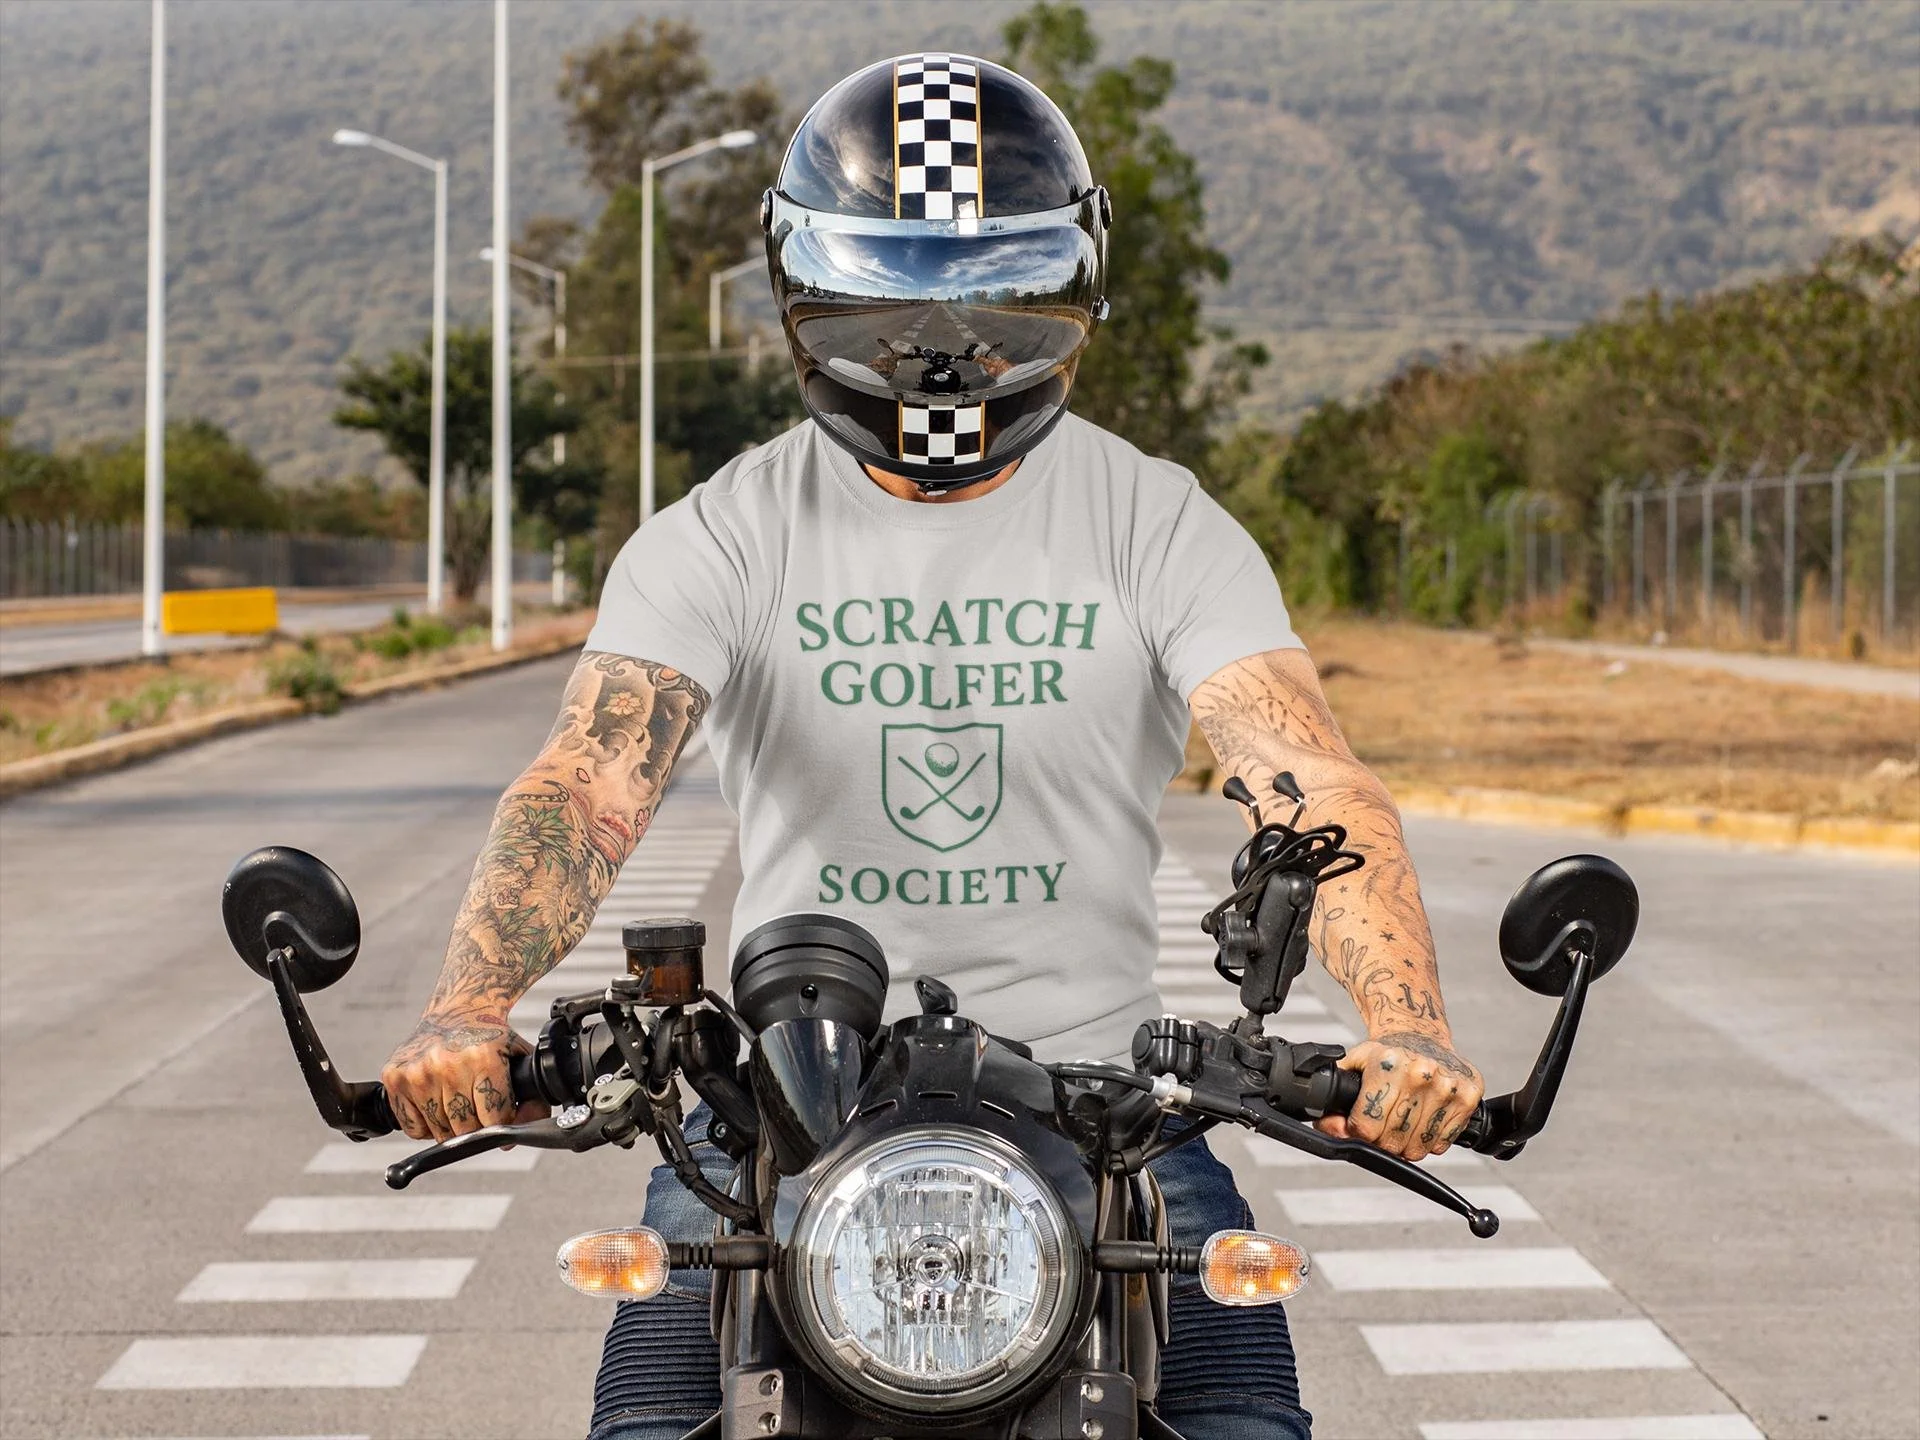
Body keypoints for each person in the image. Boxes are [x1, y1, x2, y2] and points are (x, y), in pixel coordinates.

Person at [382, 52, 1484, 1440]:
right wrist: (468, 1006)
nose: (944, 344)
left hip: (1106, 1097)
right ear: (802, 290)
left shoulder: (1157, 522)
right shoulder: (723, 533)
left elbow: (1307, 777)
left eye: (994, 288)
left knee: (1242, 1421)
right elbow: (590, 778)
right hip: (788, 1098)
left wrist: (1408, 1027)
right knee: (652, 1420)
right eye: (889, 291)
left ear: (1076, 285)